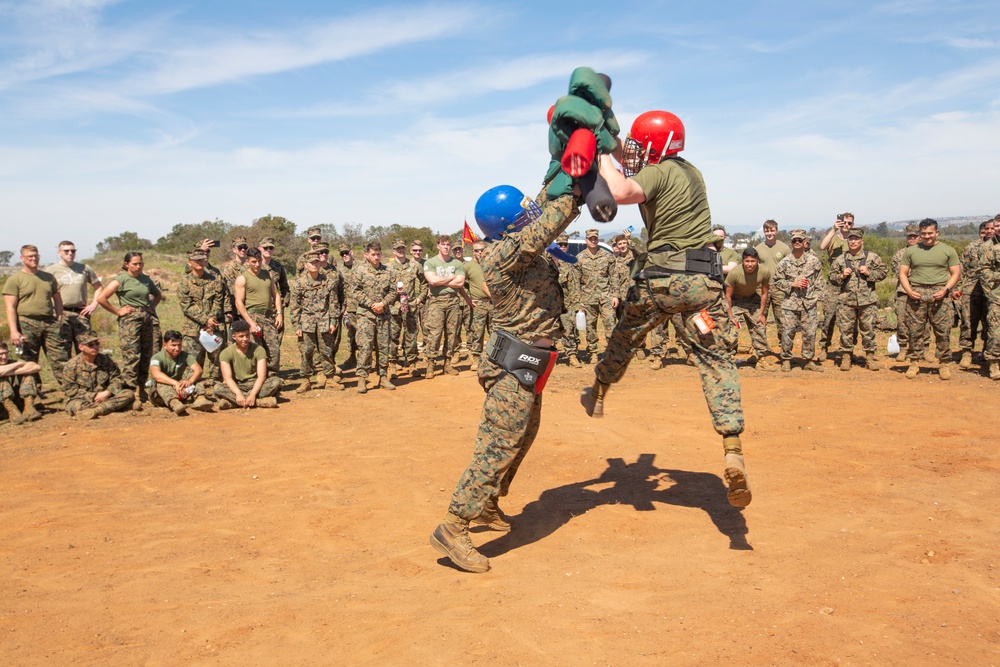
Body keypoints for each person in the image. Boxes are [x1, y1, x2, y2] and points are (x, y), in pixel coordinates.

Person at [580, 109, 752, 509]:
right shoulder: (691, 172)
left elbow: (621, 192)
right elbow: (635, 162)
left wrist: (600, 153)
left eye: (642, 146)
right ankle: (732, 446)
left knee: (625, 335)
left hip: (660, 283)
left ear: (654, 148)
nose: (634, 153)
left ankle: (600, 390)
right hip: (703, 288)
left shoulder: (656, 173)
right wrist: (610, 139)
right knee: (715, 358)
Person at [430, 183, 582, 573]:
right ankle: (454, 523)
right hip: (512, 364)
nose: (532, 213)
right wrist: (578, 191)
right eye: (524, 211)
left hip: (531, 361)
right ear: (509, 224)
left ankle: (488, 503)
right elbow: (548, 223)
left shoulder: (520, 249)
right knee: (498, 443)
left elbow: (544, 209)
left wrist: (560, 175)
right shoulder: (504, 253)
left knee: (524, 435)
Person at [2, 244, 70, 420]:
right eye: (30, 256)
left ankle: (71, 395)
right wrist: (14, 330)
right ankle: (28, 404)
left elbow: (57, 300)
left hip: (49, 322)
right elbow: (10, 307)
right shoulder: (15, 279)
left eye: (36, 256)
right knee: (27, 363)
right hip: (26, 323)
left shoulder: (48, 277)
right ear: (22, 258)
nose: (34, 259)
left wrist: (59, 318)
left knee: (60, 360)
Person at [96, 251, 162, 408]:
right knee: (132, 356)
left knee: (148, 353)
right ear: (126, 264)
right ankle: (129, 392)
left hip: (146, 318)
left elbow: (157, 294)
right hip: (130, 321)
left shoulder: (146, 279)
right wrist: (118, 311)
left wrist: (151, 306)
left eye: (141, 263)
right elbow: (101, 298)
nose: (138, 266)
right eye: (135, 264)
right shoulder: (121, 280)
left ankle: (142, 389)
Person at [898, 218, 961, 380]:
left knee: (943, 330)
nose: (927, 236)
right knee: (915, 330)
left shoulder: (948, 250)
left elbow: (955, 273)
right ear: (919, 234)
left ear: (937, 232)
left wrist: (946, 289)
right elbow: (903, 273)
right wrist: (909, 291)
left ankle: (944, 363)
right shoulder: (911, 251)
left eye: (930, 233)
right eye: (923, 233)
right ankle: (914, 362)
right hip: (917, 293)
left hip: (940, 293)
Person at [827, 228, 888, 371]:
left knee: (868, 329)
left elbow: (884, 272)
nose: (853, 241)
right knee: (846, 330)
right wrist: (841, 276)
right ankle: (846, 356)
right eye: (851, 239)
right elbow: (831, 277)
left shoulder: (871, 257)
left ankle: (870, 357)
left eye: (856, 239)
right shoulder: (841, 259)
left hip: (867, 301)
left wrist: (869, 273)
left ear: (862, 241)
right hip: (847, 302)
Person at [773, 229, 825, 372]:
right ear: (791, 243)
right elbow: (776, 281)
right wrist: (792, 285)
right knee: (787, 332)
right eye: (794, 241)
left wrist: (816, 298)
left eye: (800, 241)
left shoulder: (813, 261)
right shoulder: (784, 262)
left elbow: (820, 281)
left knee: (810, 332)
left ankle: (808, 360)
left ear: (804, 242)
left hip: (809, 303)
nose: (797, 243)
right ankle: (786, 360)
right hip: (790, 303)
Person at [290, 250, 342, 393]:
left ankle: (330, 378)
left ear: (320, 264)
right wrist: (297, 325)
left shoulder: (328, 282)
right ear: (306, 265)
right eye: (311, 262)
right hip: (307, 323)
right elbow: (295, 306)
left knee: (326, 350)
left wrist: (333, 322)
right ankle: (306, 380)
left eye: (317, 262)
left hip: (324, 321)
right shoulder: (299, 283)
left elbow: (333, 304)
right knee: (306, 352)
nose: (314, 265)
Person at [177, 249, 228, 384]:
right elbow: (186, 306)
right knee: (192, 363)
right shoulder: (184, 282)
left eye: (202, 260)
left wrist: (211, 321)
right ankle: (192, 388)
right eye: (196, 260)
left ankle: (215, 386)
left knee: (217, 362)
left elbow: (218, 302)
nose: (200, 262)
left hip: (213, 328)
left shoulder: (215, 281)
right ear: (189, 263)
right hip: (192, 329)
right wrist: (206, 320)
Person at [354, 242, 398, 393]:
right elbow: (356, 291)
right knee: (365, 346)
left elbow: (393, 292)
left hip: (384, 315)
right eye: (373, 254)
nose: (376, 257)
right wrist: (372, 304)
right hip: (366, 315)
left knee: (384, 346)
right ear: (366, 255)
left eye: (378, 254)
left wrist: (383, 304)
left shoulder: (389, 271)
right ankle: (362, 378)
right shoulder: (360, 271)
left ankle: (383, 376)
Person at [61, 331, 134, 420]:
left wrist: (108, 392)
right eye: (90, 345)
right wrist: (94, 396)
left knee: (128, 394)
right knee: (74, 406)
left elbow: (117, 379)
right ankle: (111, 407)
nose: (95, 347)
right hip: (83, 400)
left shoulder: (106, 360)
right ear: (81, 347)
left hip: (106, 397)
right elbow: (70, 390)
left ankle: (97, 411)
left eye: (97, 344)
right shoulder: (71, 365)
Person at [46, 240, 102, 351]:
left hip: (80, 313)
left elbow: (99, 288)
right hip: (61, 313)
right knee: (62, 350)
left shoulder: (84, 268)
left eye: (73, 251)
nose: (70, 253)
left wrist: (93, 305)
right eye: (66, 251)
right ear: (59, 253)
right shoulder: (50, 271)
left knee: (85, 348)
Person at [234, 247, 283, 374]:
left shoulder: (268, 274)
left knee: (274, 351)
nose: (257, 264)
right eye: (253, 262)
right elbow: (238, 302)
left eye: (259, 261)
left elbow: (276, 294)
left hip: (268, 317)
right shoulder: (242, 278)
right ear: (247, 262)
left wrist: (279, 314)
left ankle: (270, 376)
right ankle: (255, 378)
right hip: (253, 316)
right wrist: (250, 322)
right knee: (256, 351)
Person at [422, 235, 466, 377]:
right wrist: (450, 279)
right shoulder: (430, 262)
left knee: (452, 333)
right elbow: (432, 281)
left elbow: (460, 284)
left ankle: (447, 363)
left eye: (448, 244)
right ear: (438, 246)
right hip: (436, 301)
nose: (446, 247)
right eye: (443, 244)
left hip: (453, 301)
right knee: (434, 333)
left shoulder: (457, 264)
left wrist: (442, 281)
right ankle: (430, 364)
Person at [725, 247, 774, 370]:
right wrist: (730, 315)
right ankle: (728, 359)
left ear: (757, 261)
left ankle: (761, 359)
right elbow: (727, 296)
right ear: (743, 261)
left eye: (753, 261)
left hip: (752, 300)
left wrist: (761, 314)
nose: (750, 264)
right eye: (747, 261)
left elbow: (764, 293)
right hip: (736, 301)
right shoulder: (734, 273)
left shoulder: (764, 271)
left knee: (759, 326)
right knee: (732, 329)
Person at [213, 320, 281, 409]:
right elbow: (227, 378)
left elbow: (261, 376)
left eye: (247, 335)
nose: (245, 339)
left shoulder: (259, 350)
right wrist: (238, 393)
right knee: (217, 388)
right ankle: (258, 402)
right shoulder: (226, 353)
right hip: (237, 385)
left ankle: (235, 402)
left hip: (255, 384)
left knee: (276, 382)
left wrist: (252, 394)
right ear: (234, 337)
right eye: (241, 336)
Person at [149, 330, 215, 415]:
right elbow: (156, 375)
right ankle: (174, 403)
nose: (177, 348)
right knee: (160, 383)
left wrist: (189, 381)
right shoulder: (157, 358)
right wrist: (175, 383)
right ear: (164, 345)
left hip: (179, 390)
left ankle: (200, 399)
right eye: (173, 345)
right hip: (159, 395)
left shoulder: (185, 355)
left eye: (179, 345)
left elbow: (198, 370)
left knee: (193, 376)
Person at [817, 213, 855, 360]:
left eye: (849, 223)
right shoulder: (833, 238)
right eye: (844, 222)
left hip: (850, 284)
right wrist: (833, 229)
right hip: (834, 284)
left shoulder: (854, 240)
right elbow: (822, 246)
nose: (846, 225)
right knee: (828, 318)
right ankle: (824, 347)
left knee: (851, 320)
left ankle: (848, 351)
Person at [576, 229, 618, 361]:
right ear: (586, 240)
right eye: (590, 239)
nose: (593, 241)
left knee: (610, 325)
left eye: (595, 239)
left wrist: (615, 295)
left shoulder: (607, 256)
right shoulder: (580, 258)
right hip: (587, 299)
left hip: (606, 297)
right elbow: (576, 281)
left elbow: (614, 277)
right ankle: (593, 353)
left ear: (598, 239)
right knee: (591, 328)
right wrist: (579, 301)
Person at [957, 220, 994, 368]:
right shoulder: (972, 247)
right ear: (983, 231)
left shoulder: (997, 248)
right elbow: (961, 269)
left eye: (992, 228)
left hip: (992, 292)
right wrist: (957, 289)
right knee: (968, 322)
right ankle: (966, 352)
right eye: (986, 229)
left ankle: (987, 351)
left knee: (990, 323)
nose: (989, 231)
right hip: (972, 291)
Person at [386, 238, 422, 376]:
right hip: (394, 307)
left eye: (403, 248)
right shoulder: (387, 268)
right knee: (393, 336)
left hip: (410, 307)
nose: (401, 251)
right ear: (393, 251)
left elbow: (424, 282)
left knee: (411, 335)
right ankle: (392, 364)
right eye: (398, 249)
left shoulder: (414, 265)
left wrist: (420, 298)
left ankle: (412, 363)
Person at [754, 220, 791, 346]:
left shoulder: (784, 248)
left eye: (772, 230)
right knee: (760, 316)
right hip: (762, 287)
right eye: (767, 230)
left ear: (776, 231)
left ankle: (783, 346)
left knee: (781, 318)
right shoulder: (758, 248)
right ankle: (761, 346)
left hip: (779, 287)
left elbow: (790, 268)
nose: (769, 233)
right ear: (764, 231)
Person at [891, 225, 922, 361]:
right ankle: (903, 348)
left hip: (922, 290)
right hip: (903, 291)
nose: (912, 239)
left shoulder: (926, 252)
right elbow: (901, 273)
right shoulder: (899, 254)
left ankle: (923, 349)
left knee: (923, 322)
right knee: (902, 321)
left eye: (915, 236)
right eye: (910, 236)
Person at [464, 240, 493, 371]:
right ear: (473, 251)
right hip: (478, 303)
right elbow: (460, 284)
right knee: (477, 332)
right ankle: (476, 359)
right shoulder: (468, 266)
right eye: (477, 250)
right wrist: (468, 298)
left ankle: (493, 358)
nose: (480, 252)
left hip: (493, 303)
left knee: (494, 332)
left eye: (482, 249)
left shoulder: (492, 263)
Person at [554, 233, 582, 367]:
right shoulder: (547, 261)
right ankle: (549, 357)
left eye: (565, 244)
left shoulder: (570, 264)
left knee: (568, 331)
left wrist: (576, 306)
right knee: (548, 332)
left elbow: (574, 287)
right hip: (549, 305)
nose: (563, 247)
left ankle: (572, 356)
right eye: (560, 244)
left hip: (565, 305)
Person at [258, 236, 290, 349]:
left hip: (275, 310)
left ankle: (272, 366)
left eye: (270, 248)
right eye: (265, 247)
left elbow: (285, 288)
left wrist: (283, 304)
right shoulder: (255, 266)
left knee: (275, 341)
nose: (268, 250)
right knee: (259, 341)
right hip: (259, 310)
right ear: (259, 249)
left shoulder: (278, 266)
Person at [0, 342, 42, 425]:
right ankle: (12, 411)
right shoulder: (15, 364)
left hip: (17, 400)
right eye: (0, 354)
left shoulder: (13, 362)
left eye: (6, 353)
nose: (4, 357)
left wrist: (12, 371)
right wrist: (18, 366)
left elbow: (36, 367)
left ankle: (29, 408)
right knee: (2, 381)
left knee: (28, 374)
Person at [335, 244, 360, 369]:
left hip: (362, 306)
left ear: (351, 252)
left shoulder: (362, 267)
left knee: (365, 333)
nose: (344, 256)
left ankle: (367, 358)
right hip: (348, 307)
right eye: (342, 254)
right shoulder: (339, 270)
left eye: (346, 253)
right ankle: (352, 357)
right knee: (351, 333)